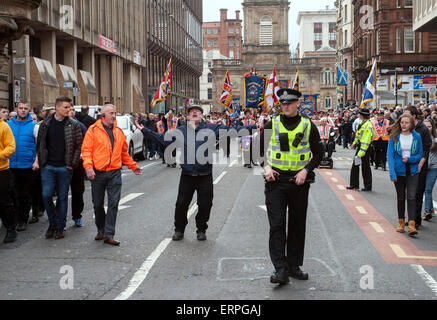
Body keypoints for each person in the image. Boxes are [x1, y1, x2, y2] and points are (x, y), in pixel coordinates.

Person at [136, 105, 259, 242]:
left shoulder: (211, 128)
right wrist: (145, 131)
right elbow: (163, 139)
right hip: (187, 175)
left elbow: (232, 131)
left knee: (205, 205)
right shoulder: (181, 130)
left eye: (198, 111)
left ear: (201, 115)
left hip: (205, 175)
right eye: (191, 111)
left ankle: (201, 229)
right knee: (181, 205)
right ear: (188, 116)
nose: (195, 112)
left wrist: (253, 128)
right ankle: (179, 229)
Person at [261, 89, 324, 285]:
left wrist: (306, 170)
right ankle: (280, 269)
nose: (285, 106)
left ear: (298, 103)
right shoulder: (273, 123)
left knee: (297, 225)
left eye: (290, 102)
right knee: (277, 226)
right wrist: (266, 167)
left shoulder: (307, 124)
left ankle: (293, 266)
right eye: (283, 103)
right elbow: (257, 149)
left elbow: (320, 152)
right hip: (276, 181)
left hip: (299, 182)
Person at [82, 104, 142, 246]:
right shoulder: (93, 130)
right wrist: (88, 167)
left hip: (115, 173)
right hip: (98, 173)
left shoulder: (118, 132)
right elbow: (86, 151)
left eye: (115, 113)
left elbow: (124, 154)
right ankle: (101, 229)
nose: (114, 115)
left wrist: (133, 166)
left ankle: (109, 234)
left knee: (113, 204)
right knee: (97, 204)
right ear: (103, 115)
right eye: (111, 113)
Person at [34, 97, 83, 240]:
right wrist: (41, 161)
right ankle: (53, 223)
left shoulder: (73, 125)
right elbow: (40, 144)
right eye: (66, 107)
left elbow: (79, 146)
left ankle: (60, 227)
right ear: (57, 108)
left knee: (62, 198)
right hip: (48, 166)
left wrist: (71, 164)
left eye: (70, 107)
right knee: (46, 195)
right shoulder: (46, 124)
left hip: (64, 167)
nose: (69, 110)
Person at [387, 114, 423, 237]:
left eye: (407, 122)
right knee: (401, 197)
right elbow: (390, 156)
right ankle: (401, 222)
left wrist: (410, 159)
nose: (404, 124)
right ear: (399, 123)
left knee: (412, 197)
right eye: (402, 122)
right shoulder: (394, 137)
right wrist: (392, 173)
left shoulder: (417, 137)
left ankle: (411, 224)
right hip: (398, 170)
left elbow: (420, 154)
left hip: (412, 170)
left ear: (411, 124)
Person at [7, 102, 36, 232]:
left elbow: (38, 146)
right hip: (10, 165)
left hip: (27, 165)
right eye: (21, 108)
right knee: (12, 193)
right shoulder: (8, 126)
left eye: (26, 108)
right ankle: (13, 218)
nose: (23, 111)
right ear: (16, 109)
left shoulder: (34, 126)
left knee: (24, 194)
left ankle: (22, 220)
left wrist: (36, 161)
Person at [403, 106, 432, 229]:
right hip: (407, 164)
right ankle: (410, 218)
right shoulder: (404, 128)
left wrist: (421, 163)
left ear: (413, 116)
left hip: (420, 165)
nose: (403, 118)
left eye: (406, 114)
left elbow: (426, 149)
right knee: (409, 192)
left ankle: (416, 220)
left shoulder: (423, 129)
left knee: (418, 192)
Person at [347, 108, 375, 191]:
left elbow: (366, 141)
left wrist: (360, 153)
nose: (358, 115)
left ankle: (363, 185)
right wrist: (354, 143)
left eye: (359, 114)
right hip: (361, 147)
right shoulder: (363, 123)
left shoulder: (368, 125)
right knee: (361, 166)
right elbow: (358, 135)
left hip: (364, 148)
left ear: (362, 115)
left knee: (364, 166)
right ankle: (357, 185)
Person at [0, 114, 18, 243]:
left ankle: (11, 228)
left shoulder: (4, 127)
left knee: (3, 201)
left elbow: (11, 147)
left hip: (2, 170)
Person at [423, 118, 437, 221]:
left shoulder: (435, 138)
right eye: (425, 126)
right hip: (423, 167)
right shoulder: (421, 137)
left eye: (429, 126)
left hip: (434, 167)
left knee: (428, 189)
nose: (427, 129)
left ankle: (427, 211)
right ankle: (431, 209)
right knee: (425, 190)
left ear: (433, 127)